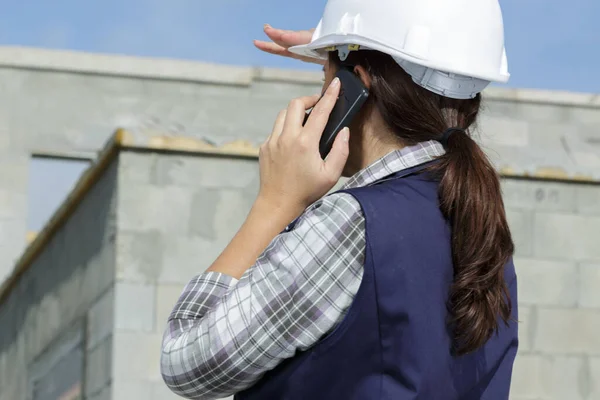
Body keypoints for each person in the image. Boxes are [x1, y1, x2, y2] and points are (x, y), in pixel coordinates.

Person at [160, 0, 519, 399]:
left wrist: (275, 203)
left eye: (326, 78)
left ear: (355, 86)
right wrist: (341, 53)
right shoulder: (479, 227)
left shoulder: (352, 221)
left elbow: (187, 361)